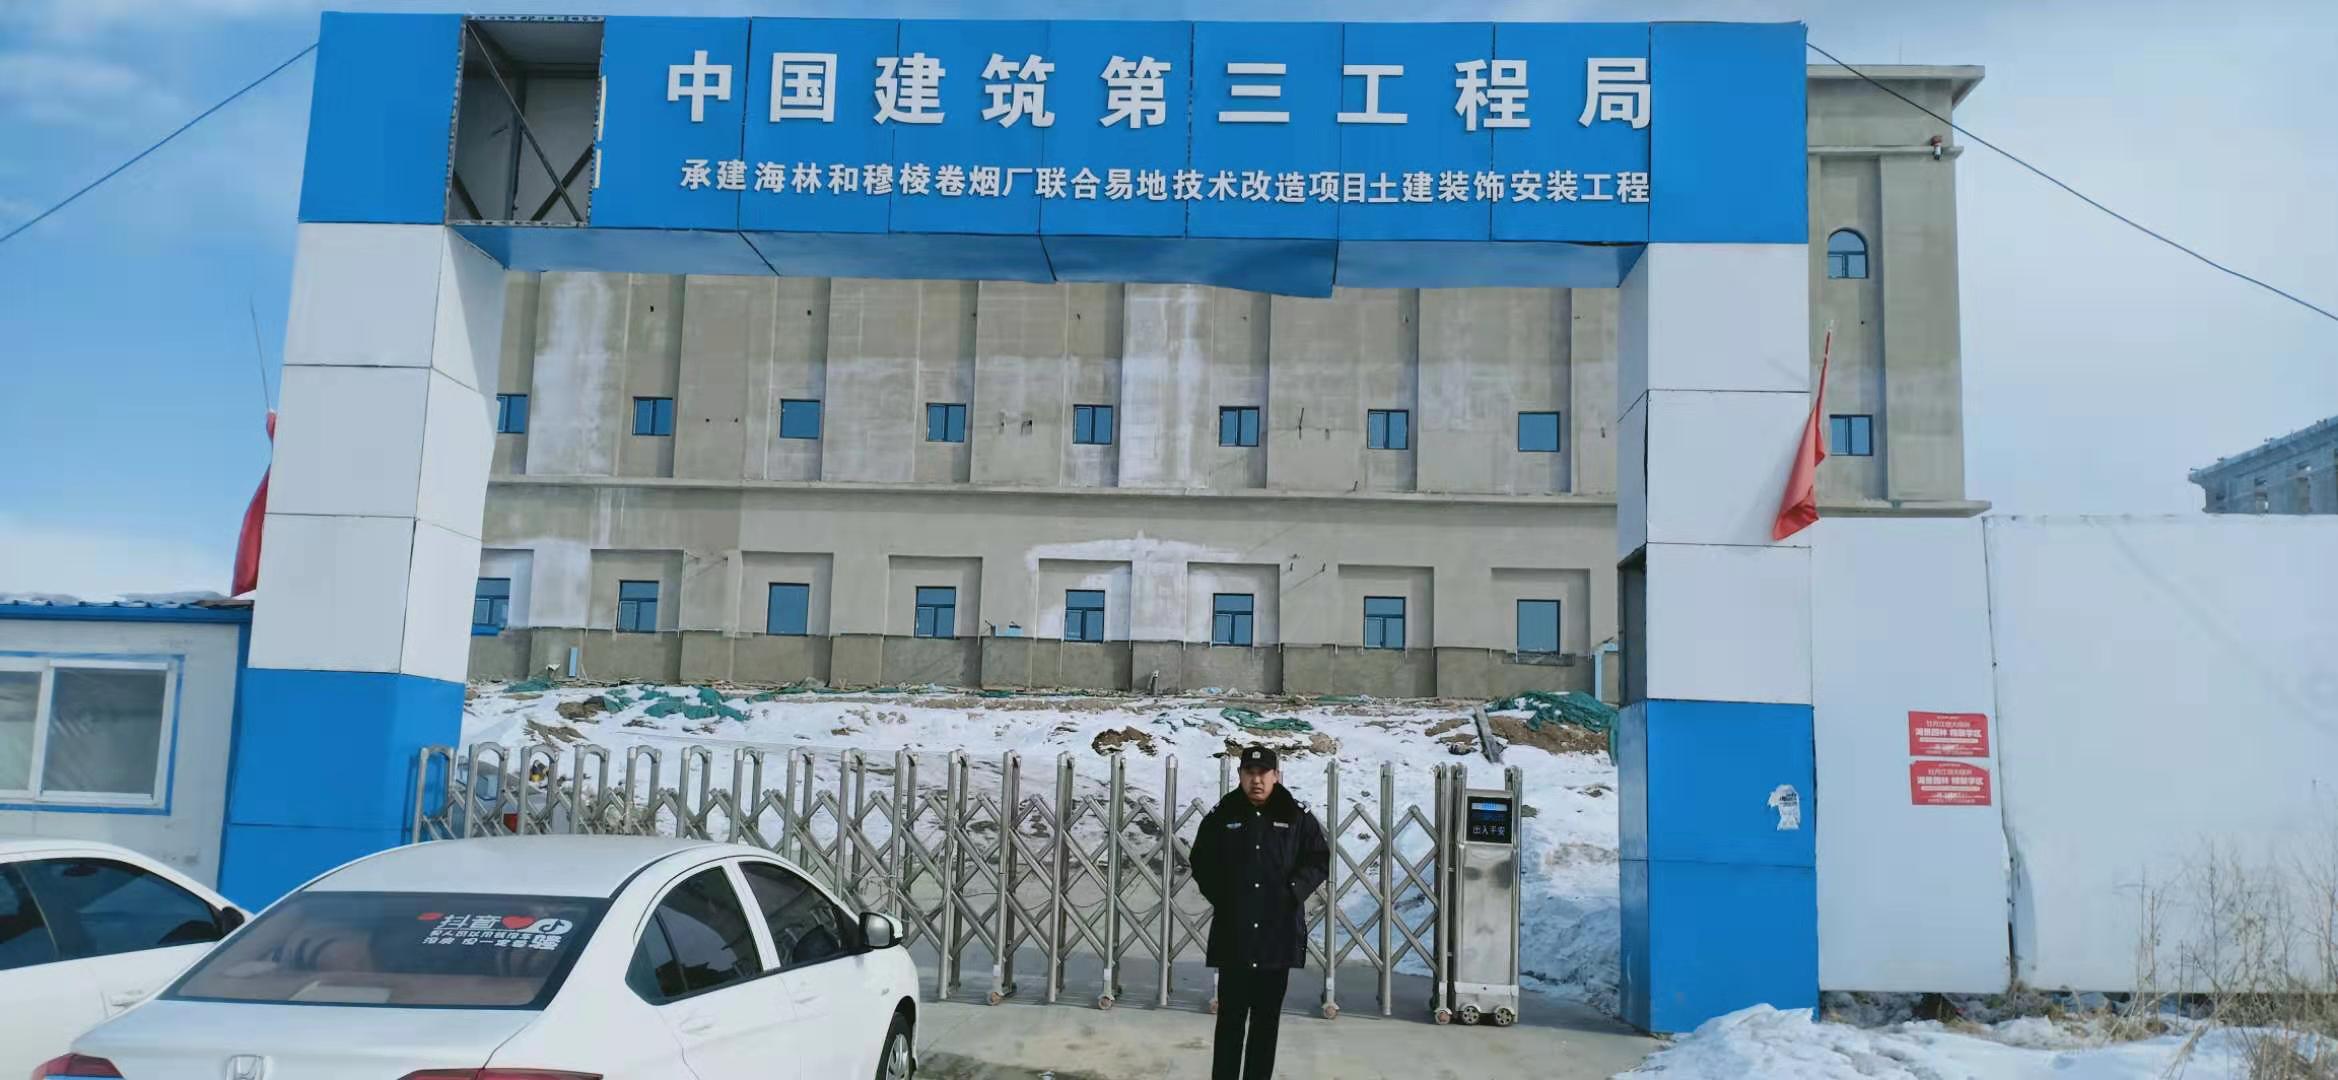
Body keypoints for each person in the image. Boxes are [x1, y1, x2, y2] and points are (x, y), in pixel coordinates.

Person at [1190, 744, 1331, 1080]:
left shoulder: (1296, 816)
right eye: (1250, 773)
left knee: (1266, 1024)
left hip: (1276, 937)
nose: (1257, 780)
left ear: (1276, 776)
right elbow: (1201, 859)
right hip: (1235, 936)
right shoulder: (1223, 814)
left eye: (1263, 773)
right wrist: (1224, 897)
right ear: (1240, 776)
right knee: (1230, 1021)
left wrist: (1292, 892)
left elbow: (1318, 858)